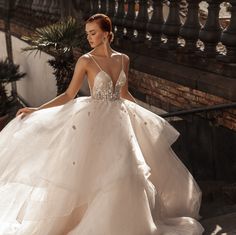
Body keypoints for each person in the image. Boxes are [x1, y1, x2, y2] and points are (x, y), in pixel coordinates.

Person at [0, 13, 204, 235]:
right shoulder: (86, 60)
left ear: (107, 34)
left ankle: (130, 225)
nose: (89, 37)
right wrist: (38, 110)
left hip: (121, 123)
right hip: (95, 124)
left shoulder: (123, 59)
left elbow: (124, 94)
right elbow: (69, 95)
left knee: (127, 171)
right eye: (87, 33)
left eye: (93, 33)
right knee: (96, 173)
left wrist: (147, 115)